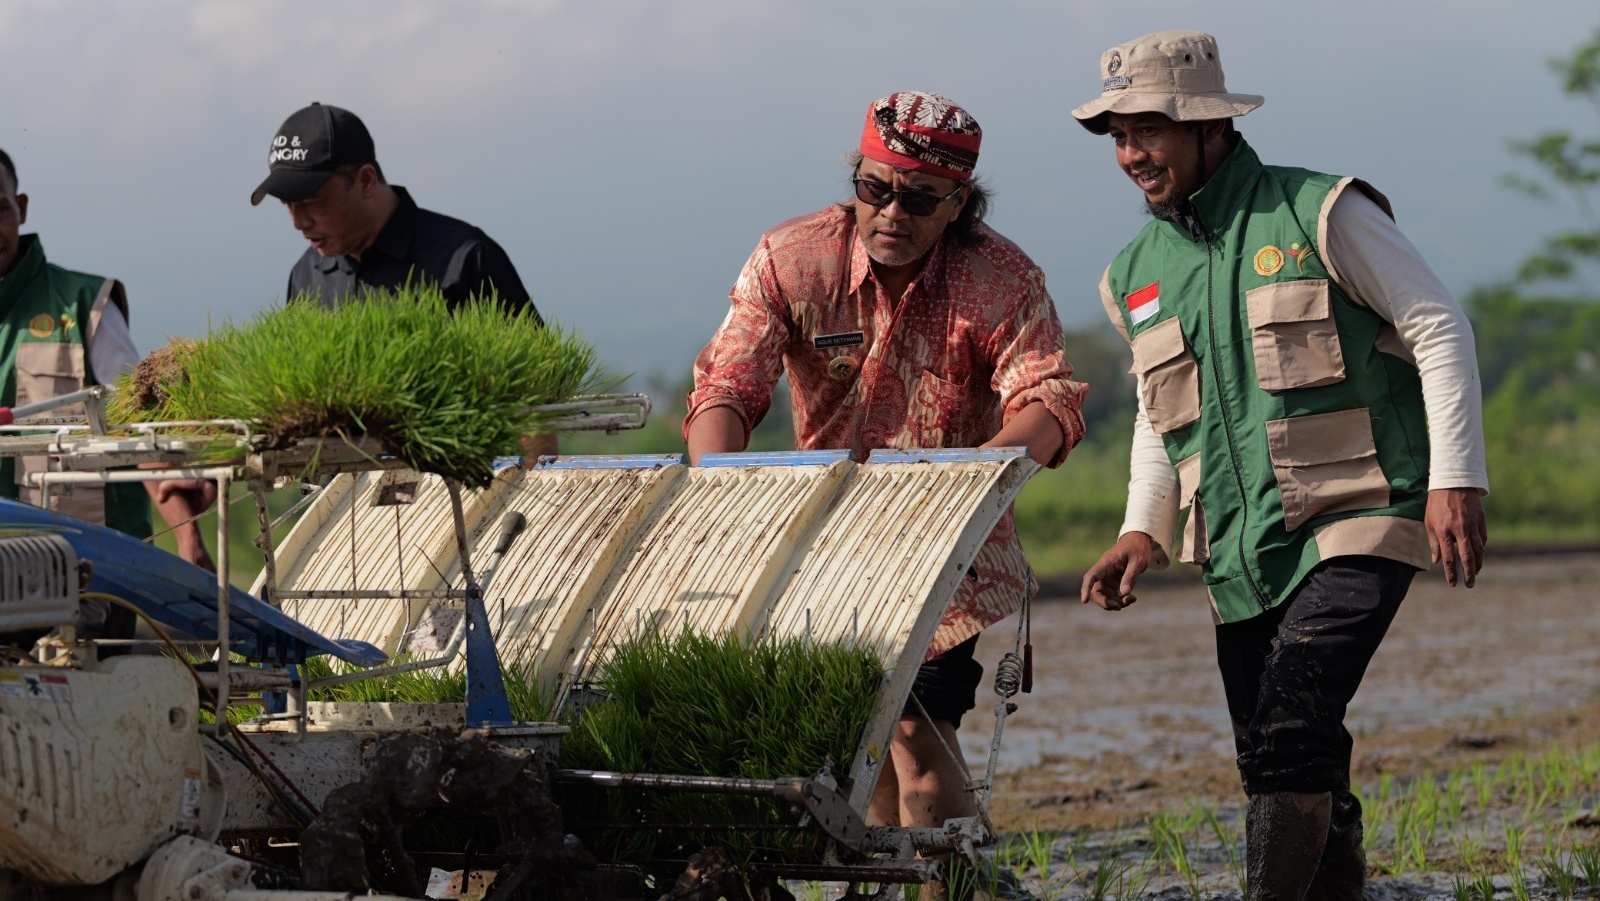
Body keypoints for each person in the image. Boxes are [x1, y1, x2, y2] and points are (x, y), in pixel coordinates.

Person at [1072, 32, 1489, 900]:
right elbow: (1161, 413)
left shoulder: (1320, 211)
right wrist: (1138, 529)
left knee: (1290, 728)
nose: (1130, 154)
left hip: (1361, 514)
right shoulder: (1134, 275)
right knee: (1280, 750)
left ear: (1208, 126)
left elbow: (1437, 324)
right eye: (1116, 134)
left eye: (1147, 128)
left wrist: (1457, 478)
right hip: (1239, 550)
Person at [685, 91, 1088, 833]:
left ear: (958, 204)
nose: (892, 215)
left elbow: (1048, 402)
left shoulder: (1002, 281)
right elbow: (728, 386)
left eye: (919, 199)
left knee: (914, 730)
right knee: (859, 736)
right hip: (828, 541)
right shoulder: (791, 259)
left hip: (945, 541)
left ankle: (949, 878)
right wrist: (717, 489)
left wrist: (970, 479)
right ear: (856, 182)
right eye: (875, 191)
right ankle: (885, 878)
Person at [0, 147, 215, 568]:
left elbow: (140, 430)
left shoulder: (84, 306)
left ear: (21, 208)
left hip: (90, 573)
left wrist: (189, 540)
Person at [250, 102, 539, 317]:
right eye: (287, 203)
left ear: (365, 180)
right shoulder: (306, 275)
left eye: (312, 200)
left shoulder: (466, 260)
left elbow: (544, 387)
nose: (298, 222)